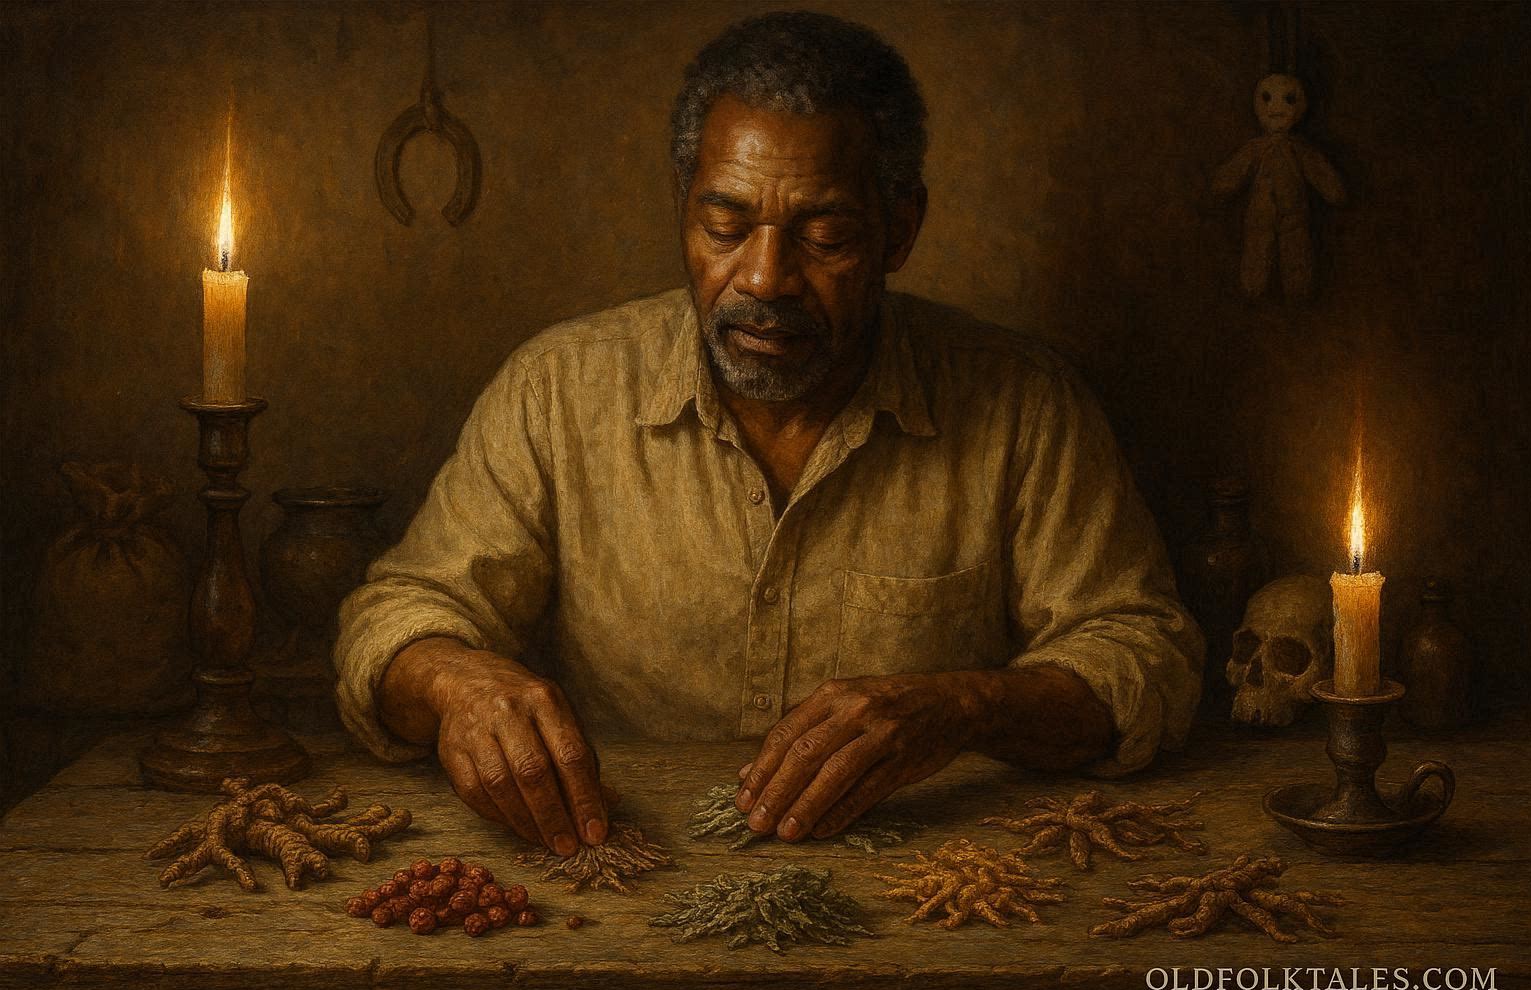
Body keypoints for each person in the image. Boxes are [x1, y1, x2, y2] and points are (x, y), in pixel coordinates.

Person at [334, 11, 1202, 858]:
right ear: (683, 208)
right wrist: (455, 681)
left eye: (825, 237)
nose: (764, 278)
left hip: (925, 877)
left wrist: (966, 706)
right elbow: (397, 616)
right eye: (725, 226)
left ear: (899, 230)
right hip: (620, 864)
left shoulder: (1025, 404)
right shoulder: (556, 389)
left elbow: (1144, 653)